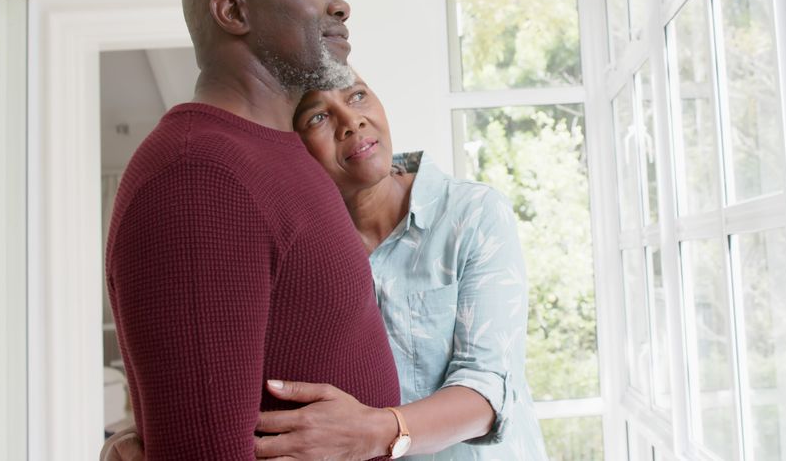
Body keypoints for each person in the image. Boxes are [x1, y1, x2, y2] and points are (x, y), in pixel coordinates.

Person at [105, 76, 551, 459]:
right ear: (289, 148)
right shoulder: (293, 242)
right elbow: (222, 366)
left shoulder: (472, 213)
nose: (350, 121)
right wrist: (132, 439)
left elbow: (486, 391)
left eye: (357, 96)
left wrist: (374, 431)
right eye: (318, 117)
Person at [103, 0, 401, 460]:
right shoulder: (198, 175)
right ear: (232, 13)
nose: (340, 5)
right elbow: (200, 450)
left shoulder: (282, 153)